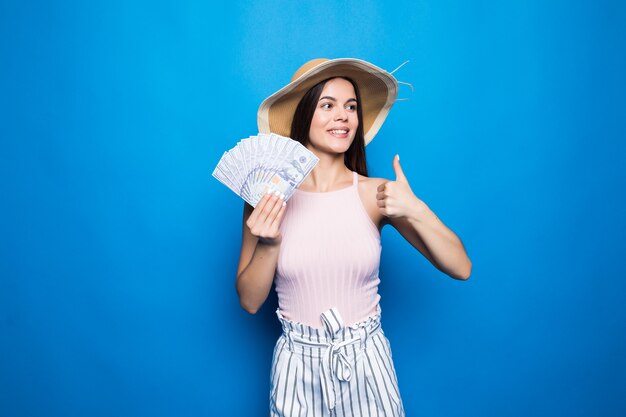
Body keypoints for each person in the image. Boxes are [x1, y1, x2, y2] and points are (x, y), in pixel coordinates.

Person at [235, 58, 472, 417]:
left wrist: (416, 209)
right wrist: (269, 244)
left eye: (351, 107)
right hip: (297, 369)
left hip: (366, 364)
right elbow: (250, 302)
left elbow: (461, 267)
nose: (343, 116)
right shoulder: (266, 198)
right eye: (327, 105)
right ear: (302, 116)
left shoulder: (376, 194)